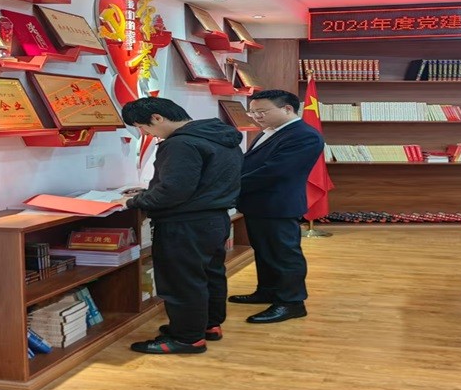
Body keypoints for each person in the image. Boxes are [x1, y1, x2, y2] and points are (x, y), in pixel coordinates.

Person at [120, 97, 243, 354]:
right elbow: (200, 182)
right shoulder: (219, 136)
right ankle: (208, 325)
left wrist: (132, 202)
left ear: (157, 118)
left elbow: (173, 191)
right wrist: (149, 192)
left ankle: (187, 338)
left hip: (185, 223)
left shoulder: (180, 143)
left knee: (182, 281)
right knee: (210, 275)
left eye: (143, 127)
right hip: (215, 218)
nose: (146, 134)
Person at [230, 89, 324, 324]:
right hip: (258, 203)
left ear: (287, 108)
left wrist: (229, 186)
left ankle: (292, 302)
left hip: (278, 204)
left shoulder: (304, 135)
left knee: (284, 255)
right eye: (252, 112)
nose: (256, 117)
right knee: (264, 252)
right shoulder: (270, 131)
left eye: (262, 112)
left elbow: (275, 171)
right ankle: (267, 291)